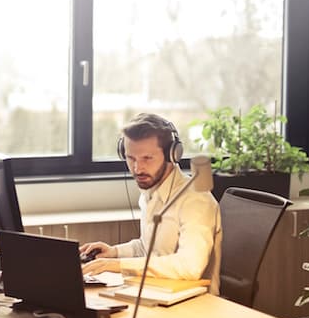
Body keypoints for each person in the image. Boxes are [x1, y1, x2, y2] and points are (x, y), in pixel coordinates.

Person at [80, 113, 222, 295]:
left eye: (147, 158)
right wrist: (114, 252)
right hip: (156, 292)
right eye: (131, 159)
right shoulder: (151, 192)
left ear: (172, 154)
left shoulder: (195, 199)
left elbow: (190, 266)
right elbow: (149, 248)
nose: (137, 169)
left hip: (194, 304)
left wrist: (117, 265)